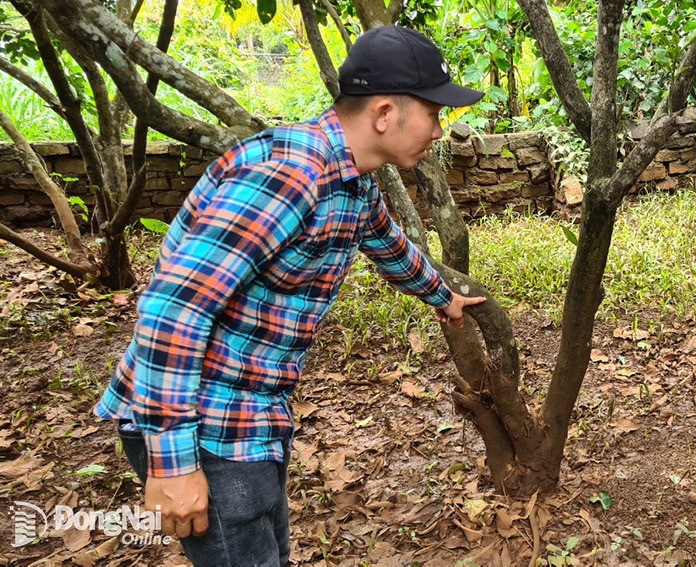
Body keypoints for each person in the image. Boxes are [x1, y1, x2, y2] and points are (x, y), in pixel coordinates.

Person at [95, 25, 485, 566]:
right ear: (384, 113)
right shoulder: (291, 173)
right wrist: (172, 463)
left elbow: (384, 241)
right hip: (203, 425)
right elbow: (174, 310)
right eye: (434, 113)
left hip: (253, 416)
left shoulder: (351, 178)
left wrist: (442, 296)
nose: (439, 131)